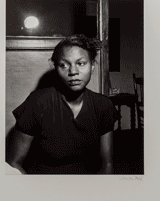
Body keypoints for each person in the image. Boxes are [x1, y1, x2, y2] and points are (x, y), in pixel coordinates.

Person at [7, 35, 119, 175]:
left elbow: (107, 164)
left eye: (81, 63)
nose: (73, 72)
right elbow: (14, 163)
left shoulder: (103, 106)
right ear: (56, 68)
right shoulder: (37, 102)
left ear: (92, 66)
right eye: (63, 65)